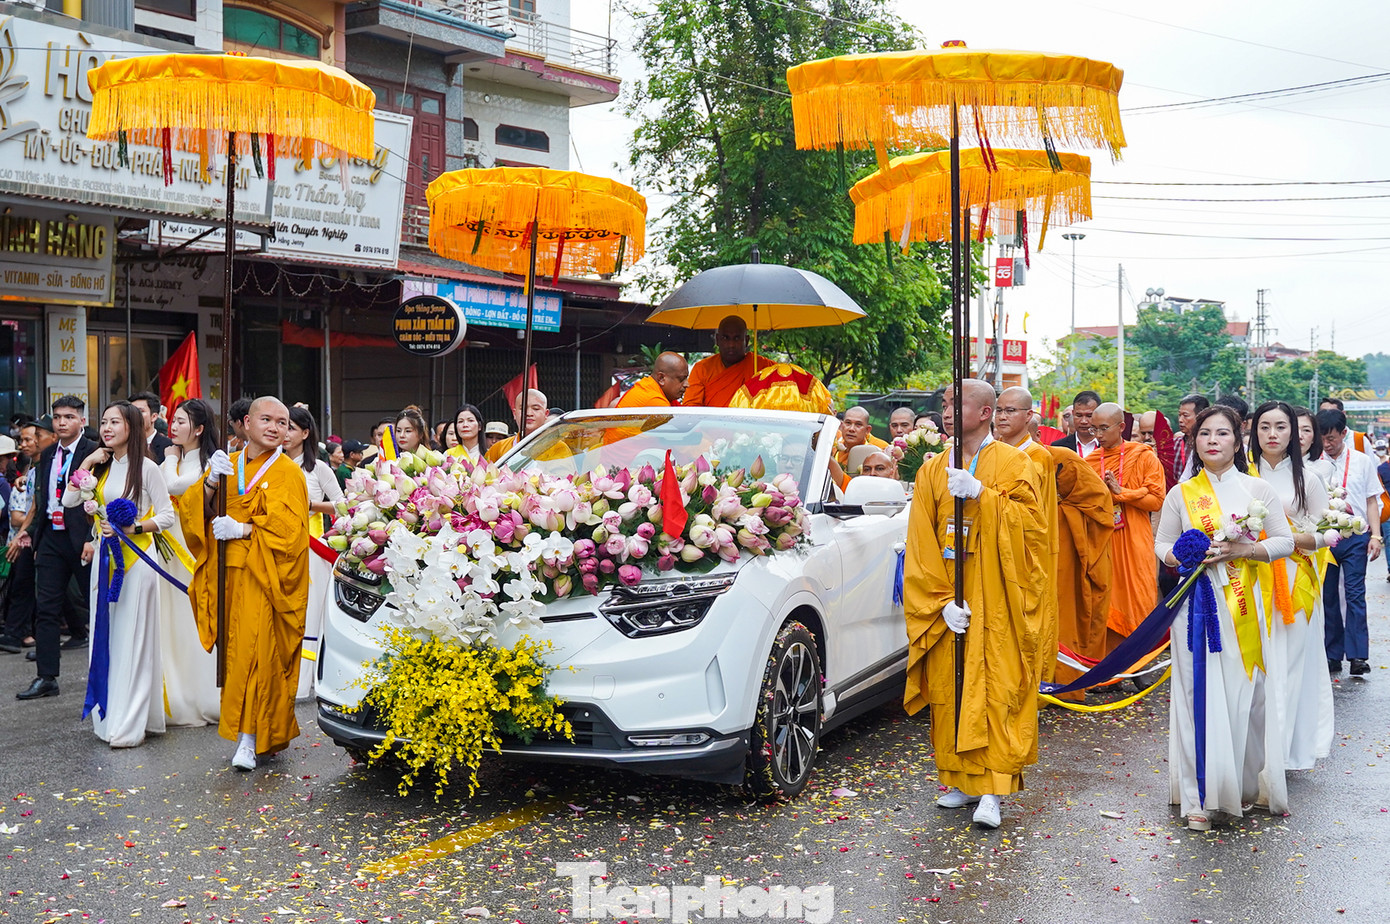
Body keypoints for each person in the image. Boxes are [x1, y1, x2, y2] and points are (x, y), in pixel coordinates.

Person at [902, 379, 1047, 829]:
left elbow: (1034, 529)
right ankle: (963, 780)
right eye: (944, 403)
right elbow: (920, 538)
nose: (946, 411)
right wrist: (940, 601)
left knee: (995, 686)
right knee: (952, 688)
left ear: (986, 412)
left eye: (957, 403)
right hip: (949, 591)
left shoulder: (1012, 461)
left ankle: (995, 788)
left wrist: (984, 495)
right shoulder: (933, 468)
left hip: (997, 594)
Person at [1154, 405, 1294, 829]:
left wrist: (1245, 550)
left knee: (1244, 696)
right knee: (1196, 693)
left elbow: (1285, 541)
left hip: (1243, 605)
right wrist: (1181, 555)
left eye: (1222, 433)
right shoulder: (1180, 494)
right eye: (1204, 434)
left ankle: (1242, 784)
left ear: (1237, 440)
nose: (1212, 441)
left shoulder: (1257, 491)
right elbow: (1162, 544)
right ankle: (1198, 796)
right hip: (1195, 607)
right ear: (1194, 442)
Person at [177, 397, 310, 770]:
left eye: (282, 423)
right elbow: (193, 513)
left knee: (258, 654)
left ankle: (248, 738)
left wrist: (245, 528)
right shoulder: (228, 463)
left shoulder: (289, 473)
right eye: (266, 419)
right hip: (226, 573)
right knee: (236, 655)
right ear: (246, 424)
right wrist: (209, 485)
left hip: (264, 574)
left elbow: (292, 534)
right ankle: (252, 731)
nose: (274, 427)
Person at [63, 401, 176, 746]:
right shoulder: (103, 466)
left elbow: (168, 516)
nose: (107, 428)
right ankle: (109, 716)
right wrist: (85, 462)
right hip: (105, 561)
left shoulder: (147, 469)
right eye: (104, 422)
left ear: (132, 426)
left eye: (115, 422)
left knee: (133, 639)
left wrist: (135, 526)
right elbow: (69, 501)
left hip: (138, 562)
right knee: (107, 635)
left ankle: (131, 722)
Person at [1250, 401, 1334, 772]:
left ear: (1295, 433)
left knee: (1290, 664)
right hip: (1249, 578)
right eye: (1265, 426)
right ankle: (1253, 748)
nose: (1272, 434)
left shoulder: (1309, 479)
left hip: (1294, 581)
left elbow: (1325, 534)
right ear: (1253, 431)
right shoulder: (1241, 473)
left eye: (1281, 427)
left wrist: (1284, 539)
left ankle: (1282, 751)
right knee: (1255, 665)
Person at [17, 397, 98, 700]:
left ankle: (109, 674)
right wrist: (34, 535)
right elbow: (42, 497)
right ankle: (46, 676)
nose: (62, 422)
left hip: (83, 537)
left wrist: (93, 537)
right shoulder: (47, 453)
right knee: (47, 608)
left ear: (81, 420)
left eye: (69, 417)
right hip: (51, 535)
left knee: (96, 606)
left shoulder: (94, 452)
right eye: (58, 417)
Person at [155, 398, 221, 728]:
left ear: (198, 428)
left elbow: (172, 486)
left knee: (192, 615)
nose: (174, 426)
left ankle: (200, 692)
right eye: (174, 420)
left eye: (181, 421)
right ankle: (174, 690)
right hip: (166, 549)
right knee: (170, 619)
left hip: (191, 548)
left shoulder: (207, 464)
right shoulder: (175, 459)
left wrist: (168, 458)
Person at [1041, 415, 1115, 701]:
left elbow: (1101, 509)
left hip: (1074, 567)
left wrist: (1059, 509)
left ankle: (1069, 681)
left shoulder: (1074, 472)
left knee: (1071, 619)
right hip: (1045, 566)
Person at [994, 387, 1059, 683]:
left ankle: (1027, 685)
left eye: (1011, 411)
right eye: (999, 410)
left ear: (1029, 415)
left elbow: (1026, 508)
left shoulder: (1036, 456)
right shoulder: (996, 451)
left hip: (1027, 548)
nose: (1002, 416)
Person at [1087, 403, 1166, 646]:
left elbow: (1156, 500)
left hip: (1134, 539)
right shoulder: (1088, 461)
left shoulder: (1143, 456)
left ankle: (1137, 664)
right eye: (1094, 429)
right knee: (1105, 602)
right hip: (1103, 541)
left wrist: (1123, 494)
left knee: (1140, 597)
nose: (1098, 435)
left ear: (1121, 427)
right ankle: (1108, 671)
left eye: (1103, 428)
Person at [1316, 407, 1383, 675]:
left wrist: (1375, 536)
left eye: (1332, 438)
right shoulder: (1312, 463)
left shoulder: (1362, 462)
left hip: (1356, 536)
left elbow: (1371, 501)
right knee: (1328, 596)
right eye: (1322, 438)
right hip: (1324, 537)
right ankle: (1332, 654)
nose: (1327, 444)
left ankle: (1357, 656)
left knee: (1355, 594)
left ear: (1344, 433)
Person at [286, 405, 344, 700]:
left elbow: (342, 504)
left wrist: (311, 507)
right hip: (279, 546)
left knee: (310, 612)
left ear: (305, 433)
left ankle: (305, 679)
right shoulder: (272, 465)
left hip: (311, 546)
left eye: (290, 428)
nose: (284, 433)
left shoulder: (317, 468)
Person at [0, 424, 39, 652]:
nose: (23, 444)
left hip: (27, 539)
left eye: (27, 440)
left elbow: (27, 512)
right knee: (21, 586)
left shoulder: (18, 480)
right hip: (19, 539)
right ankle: (19, 633)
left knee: (26, 587)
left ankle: (21, 633)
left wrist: (21, 533)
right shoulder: (20, 479)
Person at [682, 316, 769, 407]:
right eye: (725, 338)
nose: (731, 345)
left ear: (746, 341)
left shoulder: (762, 366)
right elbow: (691, 407)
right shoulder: (702, 369)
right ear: (717, 340)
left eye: (736, 338)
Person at [486, 390, 549, 463]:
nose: (529, 413)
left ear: (546, 414)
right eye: (523, 409)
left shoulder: (558, 447)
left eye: (535, 409)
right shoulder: (498, 448)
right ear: (514, 413)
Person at [616, 352, 690, 408]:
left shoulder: (664, 395)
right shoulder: (654, 400)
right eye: (681, 379)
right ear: (661, 378)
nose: (687, 384)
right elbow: (683, 426)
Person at [834, 406, 888, 474]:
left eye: (858, 424)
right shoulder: (833, 449)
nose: (851, 429)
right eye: (848, 423)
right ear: (842, 425)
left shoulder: (876, 454)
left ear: (867, 430)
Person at [1053, 391, 1101, 458]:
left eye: (1089, 416)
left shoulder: (1110, 446)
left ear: (1099, 414)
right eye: (1079, 415)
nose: (1083, 421)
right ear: (1073, 413)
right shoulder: (1058, 447)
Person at [1174, 394, 1210, 482]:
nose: (1180, 420)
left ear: (1201, 416)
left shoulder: (1210, 445)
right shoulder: (1174, 444)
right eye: (1179, 415)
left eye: (1185, 415)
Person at [130, 391, 174, 458]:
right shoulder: (121, 445)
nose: (134, 415)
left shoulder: (169, 446)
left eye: (140, 411)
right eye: (131, 411)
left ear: (154, 417)